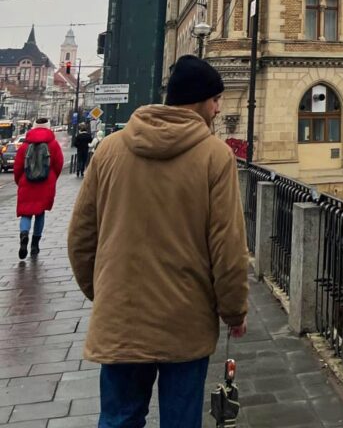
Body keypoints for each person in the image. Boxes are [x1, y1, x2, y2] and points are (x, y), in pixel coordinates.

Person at [68, 55, 248, 428]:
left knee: (119, 418)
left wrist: (104, 292)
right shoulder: (215, 156)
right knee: (181, 420)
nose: (218, 108)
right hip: (185, 321)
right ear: (200, 101)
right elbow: (227, 247)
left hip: (121, 317)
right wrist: (234, 311)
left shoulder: (111, 150)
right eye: (216, 99)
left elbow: (81, 238)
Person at [14, 116, 64, 259]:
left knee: (26, 213)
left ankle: (24, 235)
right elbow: (58, 164)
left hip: (27, 182)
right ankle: (35, 245)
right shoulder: (53, 144)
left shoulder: (25, 145)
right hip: (45, 183)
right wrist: (52, 178)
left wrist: (20, 181)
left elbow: (17, 167)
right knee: (40, 213)